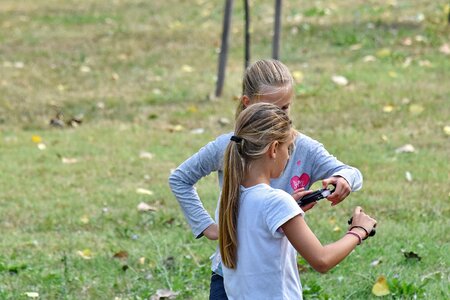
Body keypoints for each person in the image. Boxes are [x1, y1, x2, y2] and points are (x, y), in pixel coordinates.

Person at [168, 59, 363, 299]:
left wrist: (343, 178)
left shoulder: (302, 148)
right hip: (230, 274)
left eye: (285, 108)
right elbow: (180, 179)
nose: (281, 118)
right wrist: (207, 227)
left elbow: (352, 172)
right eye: (270, 110)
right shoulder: (230, 146)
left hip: (265, 273)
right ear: (248, 105)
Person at [219, 102, 377, 299]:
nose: (288, 157)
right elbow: (322, 260)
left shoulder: (229, 199)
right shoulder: (276, 202)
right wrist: (359, 231)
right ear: (274, 149)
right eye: (289, 149)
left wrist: (289, 208)